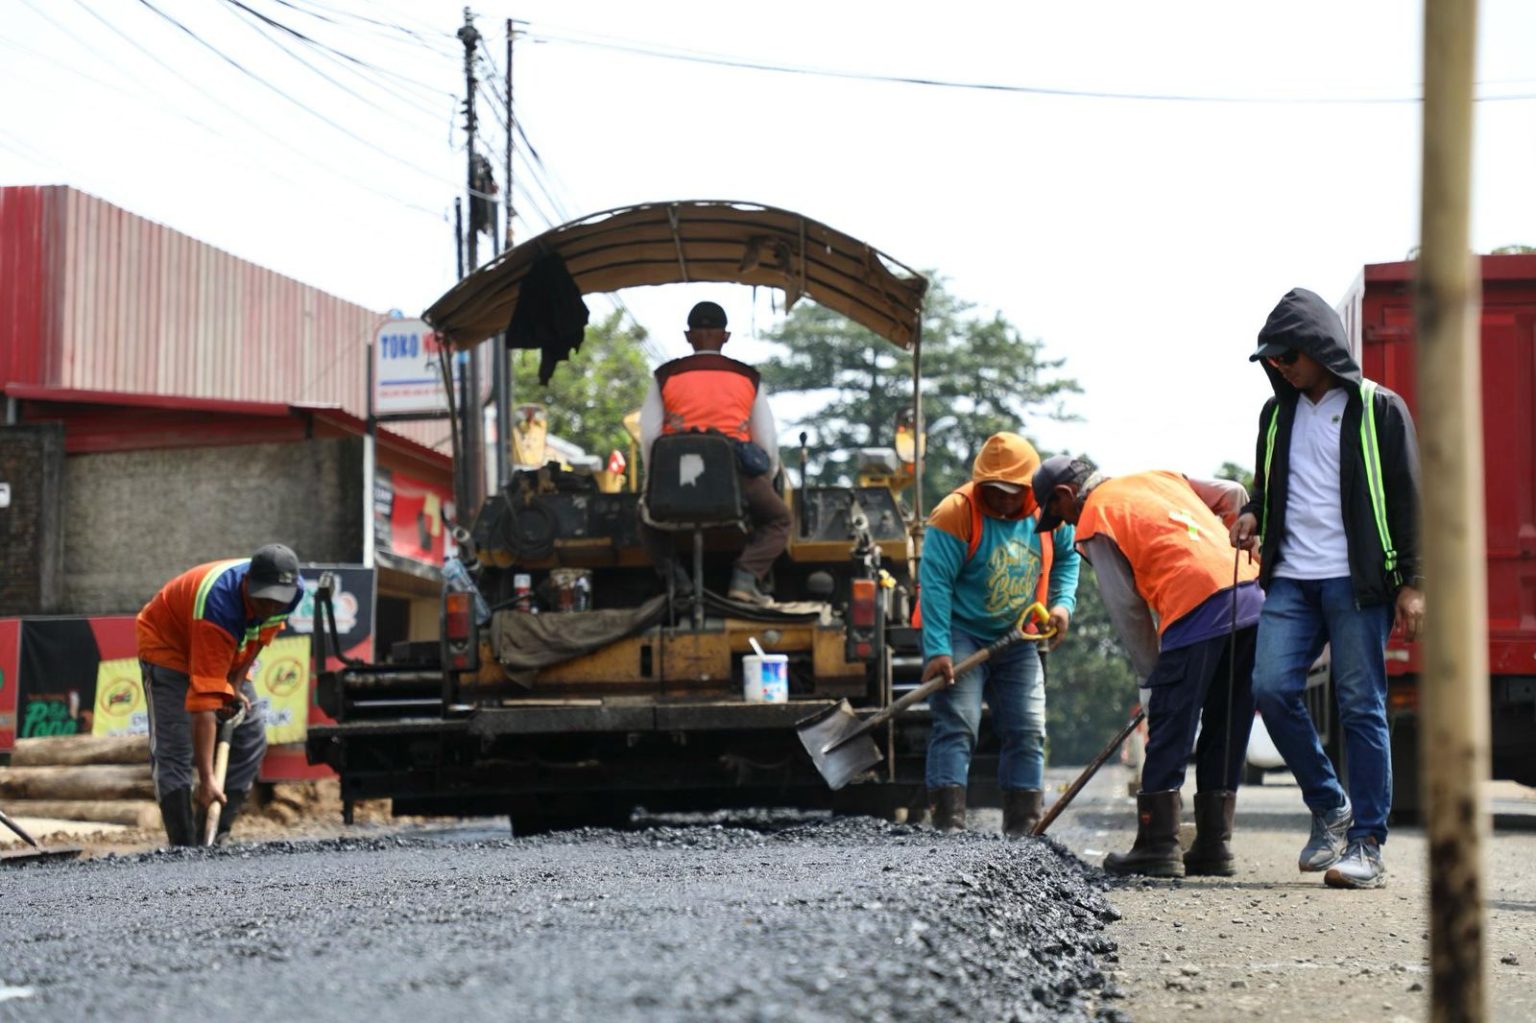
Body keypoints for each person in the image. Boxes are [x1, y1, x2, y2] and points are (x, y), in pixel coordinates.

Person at [1232, 287, 1424, 890]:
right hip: (1291, 576)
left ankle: (1366, 842)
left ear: (1319, 347)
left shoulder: (1378, 409)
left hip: (1357, 581)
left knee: (1360, 705)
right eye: (1272, 359)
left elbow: (1409, 500)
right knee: (1270, 686)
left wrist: (1413, 583)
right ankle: (1330, 803)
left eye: (1288, 354)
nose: (1280, 366)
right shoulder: (1276, 415)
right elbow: (1267, 484)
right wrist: (1253, 514)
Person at [1033, 456, 1261, 877]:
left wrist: (1149, 679)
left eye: (1058, 515)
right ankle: (1214, 846)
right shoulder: (1158, 478)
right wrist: (1223, 550)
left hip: (1194, 603)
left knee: (1170, 725)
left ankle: (1158, 846)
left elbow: (1128, 611)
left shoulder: (1097, 516)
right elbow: (1233, 494)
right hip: (1250, 593)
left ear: (1065, 495)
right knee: (1226, 725)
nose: (1063, 525)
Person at [918, 433, 1079, 837]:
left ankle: (1023, 826)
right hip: (962, 631)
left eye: (1014, 492)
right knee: (957, 723)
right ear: (980, 486)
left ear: (1030, 489)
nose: (1005, 500)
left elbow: (1067, 561)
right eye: (995, 492)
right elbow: (935, 585)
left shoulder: (1047, 514)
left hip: (1020, 634)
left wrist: (1062, 605)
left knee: (1027, 727)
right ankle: (948, 823)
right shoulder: (955, 513)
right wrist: (938, 649)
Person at [135, 544, 303, 846]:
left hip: (228, 651)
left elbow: (260, 637)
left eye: (278, 601)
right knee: (175, 747)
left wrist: (236, 685)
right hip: (169, 648)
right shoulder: (218, 605)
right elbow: (203, 708)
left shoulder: (291, 593)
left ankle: (214, 834)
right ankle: (183, 846)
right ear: (248, 583)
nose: (271, 607)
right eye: (264, 600)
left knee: (251, 736)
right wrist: (208, 778)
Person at [638, 300, 790, 605]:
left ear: (688, 336)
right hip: (736, 475)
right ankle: (745, 579)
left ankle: (678, 584)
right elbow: (766, 441)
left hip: (676, 476)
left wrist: (653, 484)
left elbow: (650, 437)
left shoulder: (665, 375)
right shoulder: (747, 377)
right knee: (780, 519)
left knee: (644, 520)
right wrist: (763, 479)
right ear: (726, 336)